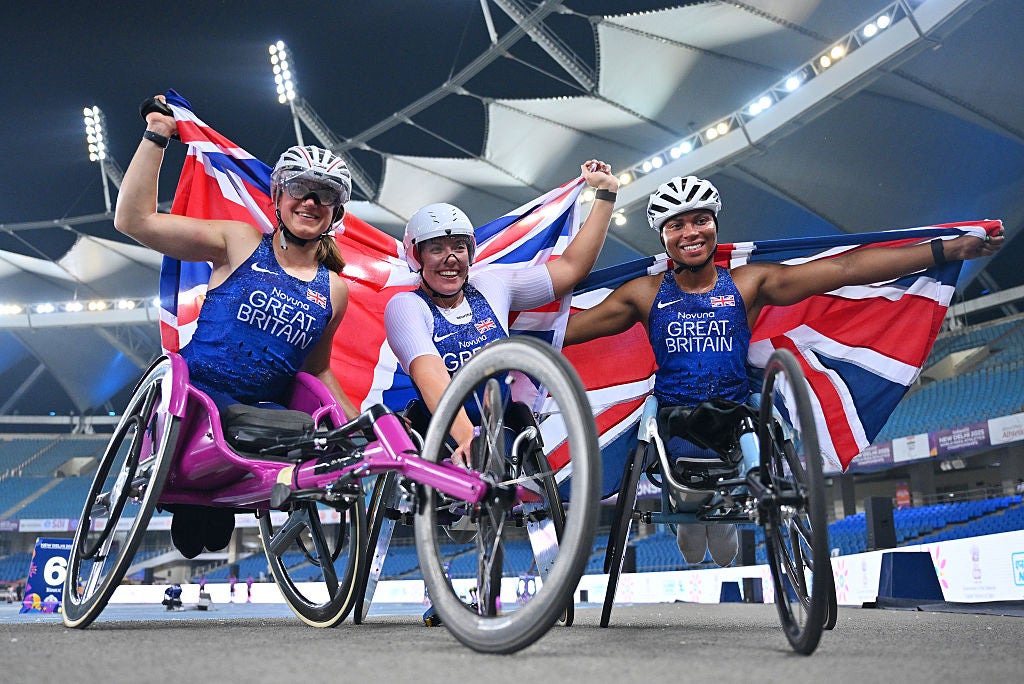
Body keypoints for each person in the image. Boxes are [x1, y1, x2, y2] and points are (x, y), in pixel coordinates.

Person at [564, 175, 1004, 567]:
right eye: (676, 225)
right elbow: (567, 331)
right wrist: (498, 325)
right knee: (696, 543)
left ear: (715, 225)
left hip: (737, 413)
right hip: (673, 420)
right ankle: (693, 508)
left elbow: (843, 269)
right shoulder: (643, 293)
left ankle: (751, 494)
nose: (690, 232)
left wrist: (948, 249)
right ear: (663, 237)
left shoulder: (748, 282)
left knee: (752, 441)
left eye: (699, 220)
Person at [114, 94, 359, 559]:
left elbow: (319, 372)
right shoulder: (239, 241)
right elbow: (134, 220)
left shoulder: (335, 291)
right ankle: (199, 490)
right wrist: (155, 136)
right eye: (301, 189)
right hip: (196, 395)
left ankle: (228, 489)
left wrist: (357, 424)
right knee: (200, 528)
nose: (311, 201)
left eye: (324, 195)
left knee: (296, 426)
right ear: (278, 197)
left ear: (336, 212)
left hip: (264, 413)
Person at [384, 160, 619, 464]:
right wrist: (469, 438)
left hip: (500, 431)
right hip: (439, 436)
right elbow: (430, 373)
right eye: (436, 249)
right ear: (417, 256)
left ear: (471, 252)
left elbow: (571, 268)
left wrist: (606, 195)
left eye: (459, 247)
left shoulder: (492, 285)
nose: (451, 258)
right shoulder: (406, 306)